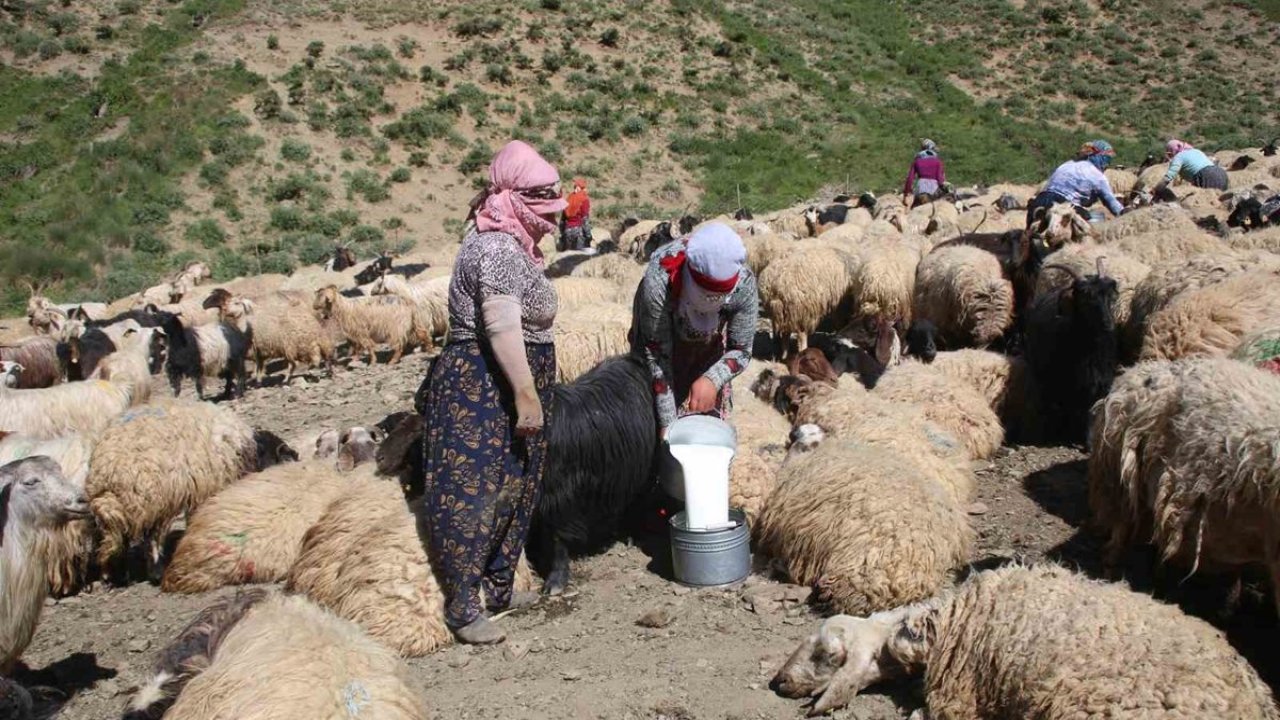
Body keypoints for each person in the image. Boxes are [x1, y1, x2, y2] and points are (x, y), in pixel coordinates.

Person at [419, 140, 564, 645]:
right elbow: (501, 325)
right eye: (543, 197)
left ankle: (499, 586)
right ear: (517, 197)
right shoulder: (496, 248)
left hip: (511, 379)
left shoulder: (517, 245)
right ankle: (463, 608)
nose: (553, 209)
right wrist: (526, 395)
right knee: (472, 490)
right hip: (482, 383)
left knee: (517, 482)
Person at [630, 222, 758, 438]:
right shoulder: (661, 278)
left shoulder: (743, 286)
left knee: (707, 431)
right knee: (649, 429)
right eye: (704, 294)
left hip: (707, 351)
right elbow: (656, 354)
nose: (710, 302)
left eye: (718, 298)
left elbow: (741, 349)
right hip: (659, 348)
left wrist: (713, 379)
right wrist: (667, 425)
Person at [1026, 140, 1125, 227]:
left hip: (1041, 200)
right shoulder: (1098, 176)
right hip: (1065, 205)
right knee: (1095, 222)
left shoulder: (1067, 164)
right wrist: (1124, 212)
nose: (1107, 164)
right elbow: (1111, 201)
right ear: (1099, 156)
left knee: (1029, 235)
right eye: (1106, 159)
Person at [1151, 138, 1228, 193]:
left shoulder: (1179, 157)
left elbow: (1168, 177)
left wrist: (1156, 189)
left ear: (1172, 150)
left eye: (1169, 152)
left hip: (1206, 176)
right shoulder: (1195, 151)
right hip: (1221, 173)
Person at [902, 138, 947, 208]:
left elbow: (910, 179)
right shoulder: (937, 162)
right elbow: (940, 179)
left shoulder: (917, 161)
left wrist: (906, 193)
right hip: (934, 189)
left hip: (920, 188)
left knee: (914, 209)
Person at [560, 178, 592, 251]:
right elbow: (585, 219)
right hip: (579, 233)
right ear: (580, 188)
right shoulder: (584, 199)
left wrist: (562, 233)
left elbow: (562, 220)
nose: (585, 190)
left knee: (567, 258)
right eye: (584, 188)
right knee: (579, 259)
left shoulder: (568, 198)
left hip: (567, 232)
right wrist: (588, 236)